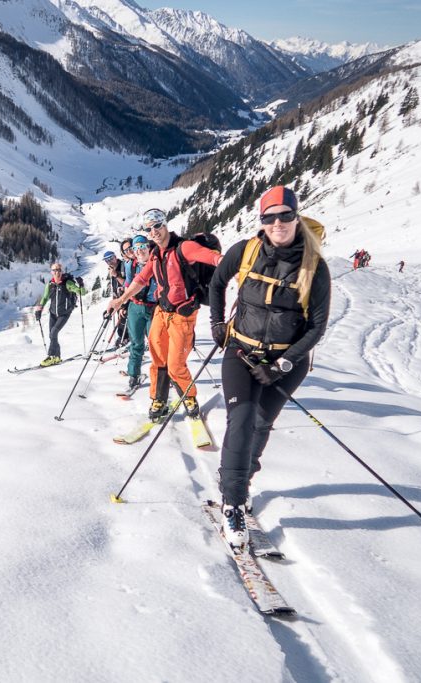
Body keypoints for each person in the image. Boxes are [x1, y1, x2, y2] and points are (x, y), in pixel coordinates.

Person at [207, 186, 331, 550]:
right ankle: (232, 501)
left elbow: (317, 326)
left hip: (286, 361)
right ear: (261, 221)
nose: (277, 223)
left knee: (262, 423)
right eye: (269, 217)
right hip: (241, 352)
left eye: (285, 215)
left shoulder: (314, 267)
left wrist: (282, 363)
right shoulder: (245, 251)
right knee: (241, 419)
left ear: (296, 216)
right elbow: (217, 284)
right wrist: (217, 324)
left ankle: (242, 482)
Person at [107, 208, 223, 421]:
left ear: (165, 224)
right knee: (158, 358)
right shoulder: (155, 254)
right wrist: (121, 300)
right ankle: (158, 399)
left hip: (183, 315)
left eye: (157, 226)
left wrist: (241, 271)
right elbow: (141, 279)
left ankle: (189, 397)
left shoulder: (184, 248)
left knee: (176, 363)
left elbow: (215, 259)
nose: (154, 231)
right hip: (161, 312)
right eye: (150, 229)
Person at [122, 234, 157, 391]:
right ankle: (133, 375)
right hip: (135, 307)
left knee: (156, 344)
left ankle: (162, 375)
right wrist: (123, 303)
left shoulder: (157, 263)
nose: (139, 251)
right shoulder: (131, 265)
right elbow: (129, 284)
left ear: (148, 247)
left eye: (142, 247)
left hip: (154, 307)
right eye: (136, 248)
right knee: (136, 343)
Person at [36, 262, 86, 366]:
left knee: (53, 332)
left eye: (58, 270)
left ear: (61, 271)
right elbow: (45, 298)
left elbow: (82, 292)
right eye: (54, 270)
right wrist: (39, 309)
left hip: (64, 313)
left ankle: (51, 357)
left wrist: (81, 285)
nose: (56, 272)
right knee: (52, 335)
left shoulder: (67, 283)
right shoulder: (50, 285)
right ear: (51, 272)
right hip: (53, 313)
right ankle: (57, 357)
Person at [104, 250, 129, 347]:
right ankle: (122, 337)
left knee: (126, 319)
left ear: (115, 257)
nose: (110, 261)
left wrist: (116, 275)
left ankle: (127, 338)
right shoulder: (112, 270)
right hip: (119, 299)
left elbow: (128, 283)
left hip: (128, 297)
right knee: (120, 319)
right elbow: (115, 287)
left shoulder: (123, 266)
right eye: (107, 260)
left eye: (111, 258)